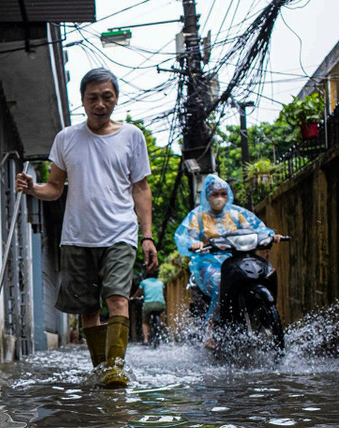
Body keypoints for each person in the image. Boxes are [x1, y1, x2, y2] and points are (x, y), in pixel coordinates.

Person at [15, 68, 157, 388]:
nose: (100, 104)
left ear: (116, 98)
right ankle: (101, 369)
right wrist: (32, 189)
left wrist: (146, 236)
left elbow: (141, 189)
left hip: (120, 232)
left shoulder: (132, 136)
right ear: (82, 100)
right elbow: (55, 187)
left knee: (118, 298)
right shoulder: (66, 138)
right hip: (78, 236)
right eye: (93, 97)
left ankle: (115, 369)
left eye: (107, 97)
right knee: (88, 308)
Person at [173, 174, 281, 349]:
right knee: (221, 282)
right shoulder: (198, 216)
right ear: (207, 196)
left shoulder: (237, 214)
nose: (219, 198)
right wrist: (193, 243)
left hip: (237, 260)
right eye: (215, 194)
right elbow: (186, 236)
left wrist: (270, 235)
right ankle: (210, 332)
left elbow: (256, 229)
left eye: (223, 193)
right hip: (208, 263)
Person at [132, 268, 166, 345]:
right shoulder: (160, 282)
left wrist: (133, 297)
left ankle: (146, 340)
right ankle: (161, 328)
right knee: (160, 315)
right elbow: (162, 293)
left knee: (145, 321)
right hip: (161, 304)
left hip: (149, 304)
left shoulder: (144, 282)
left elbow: (138, 292)